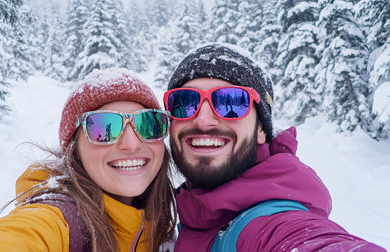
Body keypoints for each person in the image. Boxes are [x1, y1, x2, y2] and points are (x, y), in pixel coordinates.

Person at [163, 43, 385, 251]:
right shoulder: (188, 213)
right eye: (184, 103)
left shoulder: (269, 224)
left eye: (230, 102)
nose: (203, 120)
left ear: (262, 129)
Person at [0, 68, 177, 252]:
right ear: (74, 150)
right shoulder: (59, 221)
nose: (132, 144)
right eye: (104, 128)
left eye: (148, 124)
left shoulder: (164, 223)